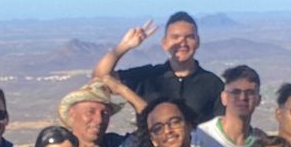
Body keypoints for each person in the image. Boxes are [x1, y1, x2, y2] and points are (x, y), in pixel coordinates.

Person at [92, 12, 224, 120]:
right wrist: (124, 46)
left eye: (189, 37)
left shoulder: (213, 84)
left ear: (198, 42)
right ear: (164, 43)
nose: (182, 43)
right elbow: (100, 77)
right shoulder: (147, 77)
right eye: (175, 37)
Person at [192, 64, 265, 147]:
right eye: (236, 92)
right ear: (224, 98)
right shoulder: (203, 136)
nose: (243, 98)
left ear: (258, 100)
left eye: (250, 93)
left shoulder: (261, 144)